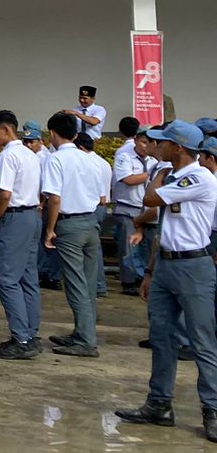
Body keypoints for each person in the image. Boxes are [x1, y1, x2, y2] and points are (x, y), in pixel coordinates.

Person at [115, 120, 217, 442]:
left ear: (178, 148)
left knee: (202, 341)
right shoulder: (176, 176)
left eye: (162, 143)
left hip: (193, 267)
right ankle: (159, 404)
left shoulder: (199, 178)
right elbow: (163, 229)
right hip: (168, 265)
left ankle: (212, 409)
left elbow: (150, 200)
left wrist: (158, 170)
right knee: (161, 337)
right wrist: (149, 272)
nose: (155, 146)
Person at [41, 111, 102, 357]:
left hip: (69, 225)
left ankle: (86, 340)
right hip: (91, 222)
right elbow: (99, 196)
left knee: (75, 284)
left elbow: (54, 199)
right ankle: (83, 332)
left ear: (52, 133)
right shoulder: (89, 158)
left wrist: (50, 229)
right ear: (76, 134)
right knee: (87, 284)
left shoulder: (55, 159)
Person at [0, 110, 41, 359]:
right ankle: (30, 333)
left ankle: (22, 337)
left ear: (6, 130)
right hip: (32, 216)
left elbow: (5, 194)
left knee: (6, 279)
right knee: (28, 277)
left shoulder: (8, 156)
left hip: (15, 217)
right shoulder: (31, 154)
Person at [112, 119, 153, 293]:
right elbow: (128, 179)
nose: (146, 146)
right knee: (128, 248)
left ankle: (142, 279)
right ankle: (128, 282)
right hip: (128, 208)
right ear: (135, 139)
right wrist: (153, 175)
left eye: (149, 143)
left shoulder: (153, 159)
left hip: (147, 211)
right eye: (143, 142)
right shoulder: (124, 156)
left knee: (146, 248)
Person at [76, 132, 113, 297]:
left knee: (90, 250)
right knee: (93, 248)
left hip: (91, 207)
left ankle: (96, 285)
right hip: (101, 207)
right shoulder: (103, 162)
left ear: (80, 147)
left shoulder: (86, 162)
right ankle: (97, 285)